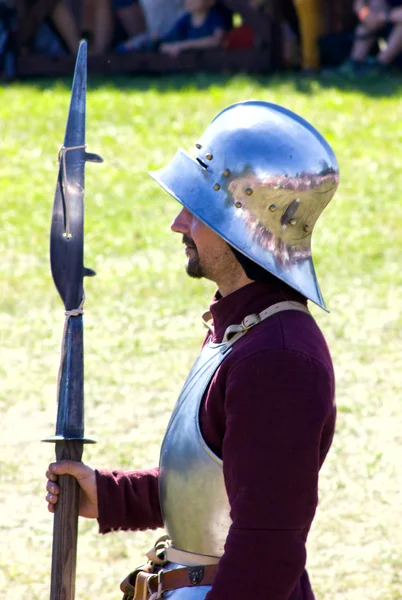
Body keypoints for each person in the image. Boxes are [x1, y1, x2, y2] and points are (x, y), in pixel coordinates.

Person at [45, 101, 340, 599]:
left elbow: (267, 550)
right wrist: (115, 496)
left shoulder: (278, 358)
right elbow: (220, 481)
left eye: (196, 210)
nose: (178, 224)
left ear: (243, 225)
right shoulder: (243, 329)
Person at [116, 0, 226, 56]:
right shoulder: (185, 20)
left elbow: (216, 41)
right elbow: (168, 42)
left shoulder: (215, 17)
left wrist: (184, 46)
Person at [336, 0, 402, 76]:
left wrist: (382, 16)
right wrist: (366, 16)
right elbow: (359, 4)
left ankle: (378, 66)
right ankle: (355, 63)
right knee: (376, 3)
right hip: (386, 22)